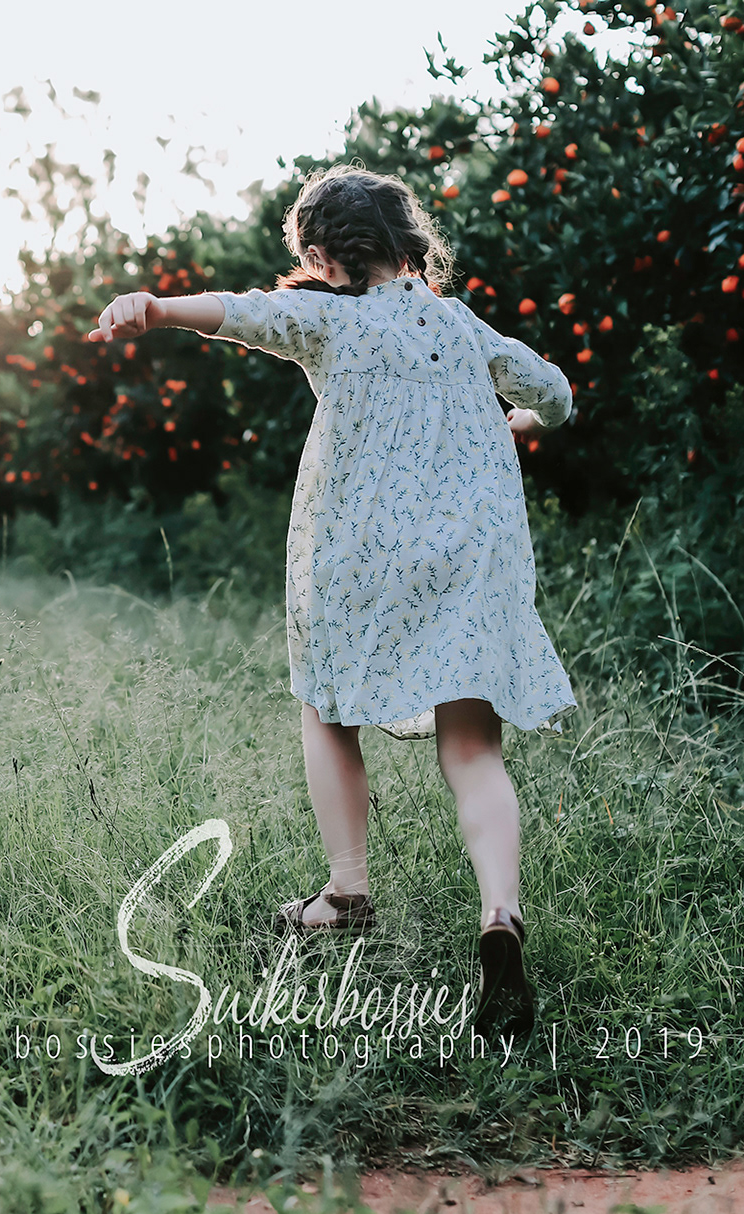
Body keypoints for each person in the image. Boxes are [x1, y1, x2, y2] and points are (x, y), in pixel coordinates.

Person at [85, 164, 576, 1040]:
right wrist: (522, 423)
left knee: (327, 709)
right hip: (474, 555)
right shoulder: (461, 324)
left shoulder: (324, 317)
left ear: (321, 255)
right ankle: (500, 914)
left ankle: (346, 892)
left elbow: (241, 314)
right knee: (472, 745)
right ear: (407, 245)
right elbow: (557, 393)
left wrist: (155, 307)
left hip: (362, 557)